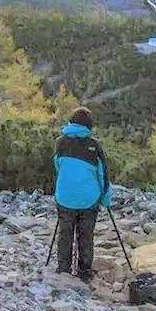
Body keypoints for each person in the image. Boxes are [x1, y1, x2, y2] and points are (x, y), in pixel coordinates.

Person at [52, 105, 110, 283]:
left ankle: (63, 269)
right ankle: (84, 272)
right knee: (86, 235)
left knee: (65, 233)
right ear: (89, 127)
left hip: (64, 197)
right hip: (88, 200)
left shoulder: (60, 142)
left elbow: (57, 167)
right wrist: (105, 200)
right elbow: (103, 175)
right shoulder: (94, 146)